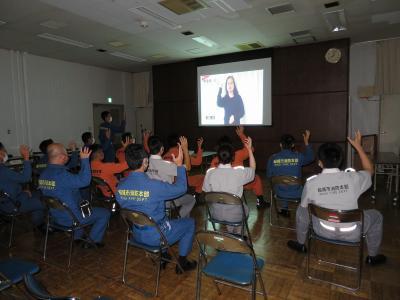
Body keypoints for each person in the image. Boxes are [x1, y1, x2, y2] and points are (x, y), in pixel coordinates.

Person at [287, 131, 386, 265]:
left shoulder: (311, 183)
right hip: (353, 232)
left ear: (320, 163)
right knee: (377, 216)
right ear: (340, 161)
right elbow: (370, 169)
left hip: (322, 229)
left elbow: (304, 209)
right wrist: (358, 147)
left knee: (301, 209)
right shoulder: (353, 178)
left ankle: (301, 244)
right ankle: (372, 257)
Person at [116, 144, 197, 273]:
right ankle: (182, 263)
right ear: (145, 162)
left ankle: (164, 255)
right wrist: (180, 166)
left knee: (161, 219)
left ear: (127, 162)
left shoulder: (120, 186)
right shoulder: (154, 186)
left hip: (136, 233)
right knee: (190, 223)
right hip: (157, 235)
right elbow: (182, 188)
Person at [39, 144, 110, 247]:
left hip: (55, 217)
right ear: (62, 157)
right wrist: (85, 160)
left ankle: (77, 237)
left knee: (77, 205)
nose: (68, 157)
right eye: (67, 154)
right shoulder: (62, 175)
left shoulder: (43, 174)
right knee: (104, 213)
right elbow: (85, 181)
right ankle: (92, 242)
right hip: (71, 218)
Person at [203, 136, 255, 234]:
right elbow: (253, 169)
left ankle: (231, 235)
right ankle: (237, 236)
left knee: (227, 209)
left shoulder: (209, 173)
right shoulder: (239, 172)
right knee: (245, 209)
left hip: (215, 214)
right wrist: (249, 149)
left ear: (217, 157)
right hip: (235, 214)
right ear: (233, 157)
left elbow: (206, 191)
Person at [210, 126, 268, 208]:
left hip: (221, 189)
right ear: (230, 146)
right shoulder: (238, 154)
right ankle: (260, 201)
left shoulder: (214, 160)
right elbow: (250, 149)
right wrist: (241, 134)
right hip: (241, 184)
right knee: (256, 178)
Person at [146, 135, 195, 218]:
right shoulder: (167, 165)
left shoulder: (143, 164)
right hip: (166, 201)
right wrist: (185, 149)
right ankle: (179, 219)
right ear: (162, 149)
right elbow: (188, 167)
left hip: (149, 200)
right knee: (191, 200)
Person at [267, 130, 314, 216]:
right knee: (291, 182)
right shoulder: (298, 156)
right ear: (293, 145)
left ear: (280, 144)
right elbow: (311, 158)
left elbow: (269, 176)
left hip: (279, 192)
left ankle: (284, 209)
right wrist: (306, 142)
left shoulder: (272, 158)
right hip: (297, 192)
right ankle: (302, 211)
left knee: (282, 181)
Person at [0, 143, 45, 229]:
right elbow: (26, 178)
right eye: (3, 150)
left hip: (5, 205)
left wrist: (23, 193)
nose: (5, 152)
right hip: (13, 205)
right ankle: (42, 225)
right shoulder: (3, 170)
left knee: (38, 194)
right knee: (45, 201)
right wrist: (26, 158)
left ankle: (39, 224)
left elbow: (7, 188)